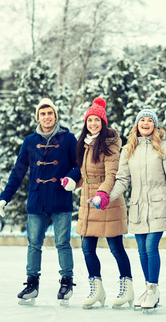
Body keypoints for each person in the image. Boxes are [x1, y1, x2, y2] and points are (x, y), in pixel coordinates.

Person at [0, 98, 80, 305]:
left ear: (55, 115)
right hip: (36, 200)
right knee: (34, 244)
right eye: (42, 114)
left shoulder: (69, 139)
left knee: (63, 243)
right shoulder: (30, 141)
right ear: (37, 117)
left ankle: (67, 282)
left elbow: (80, 165)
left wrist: (71, 177)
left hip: (60, 198)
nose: (46, 117)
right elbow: (18, 172)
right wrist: (5, 198)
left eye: (50, 113)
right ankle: (32, 284)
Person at [62, 97, 131, 309]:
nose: (93, 123)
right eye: (90, 120)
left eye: (97, 120)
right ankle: (97, 289)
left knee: (116, 248)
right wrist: (73, 181)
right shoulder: (83, 144)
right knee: (87, 248)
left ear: (103, 122)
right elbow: (86, 174)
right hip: (88, 202)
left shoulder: (110, 144)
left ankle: (127, 287)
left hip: (107, 201)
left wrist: (102, 193)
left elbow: (111, 175)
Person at [107, 109, 166, 311]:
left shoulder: (164, 147)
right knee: (141, 251)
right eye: (142, 120)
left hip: (158, 203)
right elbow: (122, 180)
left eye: (149, 120)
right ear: (136, 125)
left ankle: (152, 289)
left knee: (150, 247)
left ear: (155, 125)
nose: (145, 123)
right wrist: (107, 197)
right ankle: (149, 289)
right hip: (138, 205)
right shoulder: (128, 149)